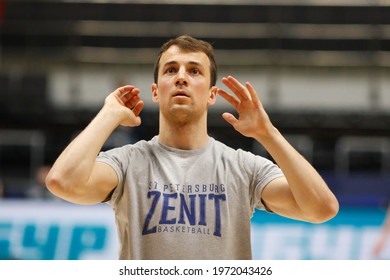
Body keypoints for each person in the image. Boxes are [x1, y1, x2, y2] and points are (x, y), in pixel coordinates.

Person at [45, 35, 339, 260]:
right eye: (171, 70)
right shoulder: (127, 162)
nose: (181, 77)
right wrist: (107, 115)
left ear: (212, 95)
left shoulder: (243, 166)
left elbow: (321, 209)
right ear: (156, 91)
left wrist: (269, 134)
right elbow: (62, 182)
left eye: (194, 71)